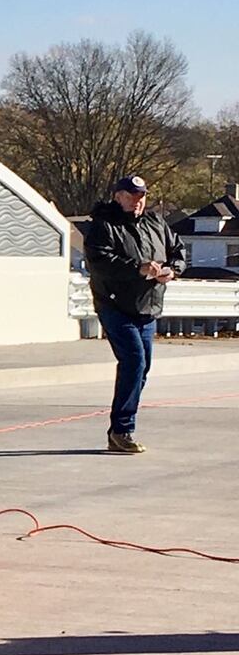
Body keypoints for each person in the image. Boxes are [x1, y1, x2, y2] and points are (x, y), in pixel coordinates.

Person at [84, 174, 187, 454]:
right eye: (131, 196)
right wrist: (138, 267)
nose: (137, 202)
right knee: (134, 362)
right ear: (118, 196)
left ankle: (121, 429)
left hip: (148, 306)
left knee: (142, 369)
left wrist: (173, 269)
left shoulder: (155, 223)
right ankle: (122, 430)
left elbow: (178, 249)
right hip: (115, 306)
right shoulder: (103, 226)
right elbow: (100, 261)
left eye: (141, 196)